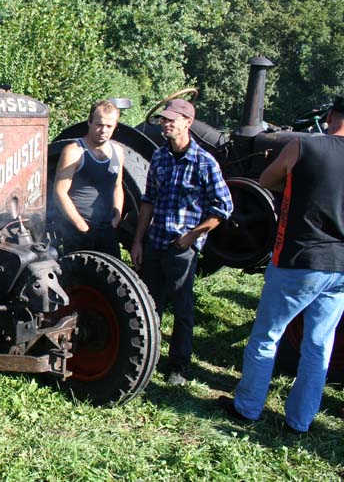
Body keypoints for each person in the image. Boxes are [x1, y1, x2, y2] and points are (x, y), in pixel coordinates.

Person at [221, 95, 344, 433]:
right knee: (319, 346)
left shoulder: (304, 147)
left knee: (266, 336)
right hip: (340, 267)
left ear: (331, 115)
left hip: (299, 260)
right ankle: (299, 423)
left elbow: (264, 180)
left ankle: (246, 409)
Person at [130, 99, 233, 386]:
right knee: (149, 304)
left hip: (181, 248)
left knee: (183, 308)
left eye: (172, 120)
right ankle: (146, 358)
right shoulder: (160, 158)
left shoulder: (204, 162)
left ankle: (179, 366)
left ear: (188, 122)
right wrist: (138, 240)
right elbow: (148, 201)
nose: (166, 124)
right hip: (155, 243)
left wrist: (191, 236)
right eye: (164, 119)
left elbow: (223, 207)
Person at [53, 100, 124, 258]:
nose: (103, 130)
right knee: (78, 280)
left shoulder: (117, 152)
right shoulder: (74, 151)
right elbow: (59, 192)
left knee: (113, 278)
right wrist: (81, 226)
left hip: (107, 230)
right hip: (79, 232)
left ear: (115, 126)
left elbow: (118, 186)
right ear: (90, 121)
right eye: (99, 124)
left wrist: (116, 218)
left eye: (109, 126)